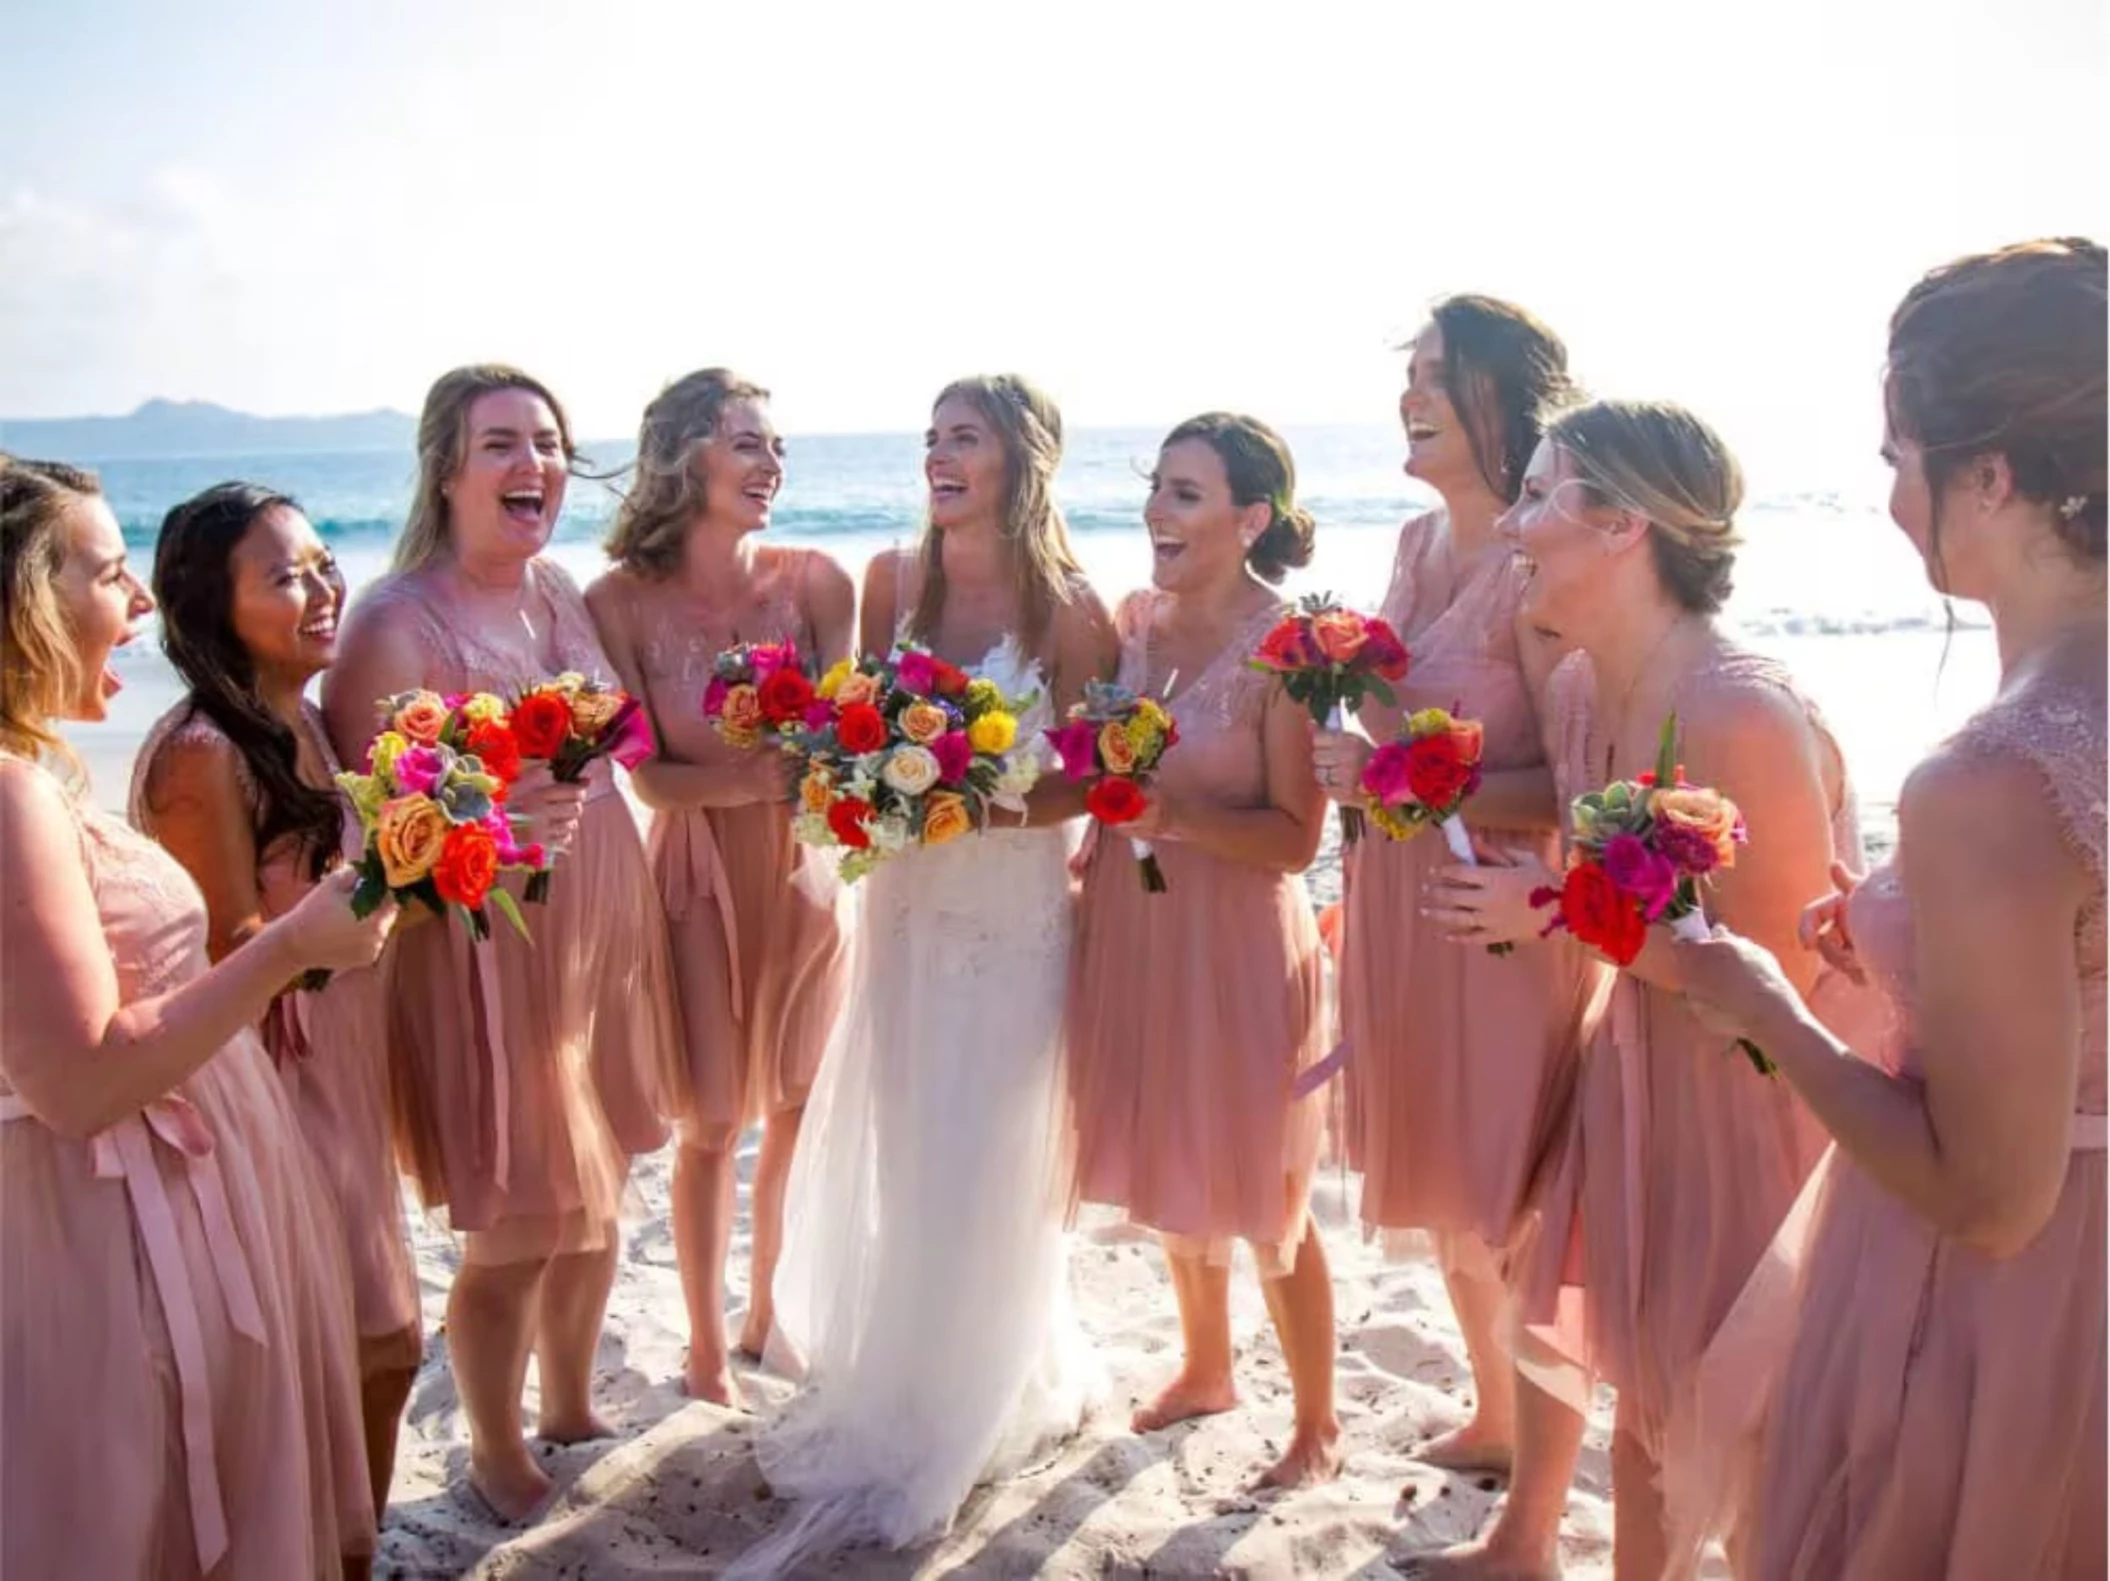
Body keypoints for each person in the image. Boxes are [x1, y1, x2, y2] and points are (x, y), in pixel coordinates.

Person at [1672, 237, 2106, 1579]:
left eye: (1893, 456)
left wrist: (1762, 1007)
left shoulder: (1992, 777)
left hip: (2015, 1313)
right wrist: (1901, 932)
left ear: (1988, 476)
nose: (1886, 497)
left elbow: (1986, 1202)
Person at [1415, 400, 1880, 1578]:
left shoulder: (1734, 708)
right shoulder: (1580, 691)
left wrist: (1556, 910)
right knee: (1641, 1403)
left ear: (1623, 526)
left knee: (1749, 1425)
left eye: (1537, 495)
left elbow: (1783, 975)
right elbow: (1611, 889)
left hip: (1759, 1117)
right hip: (1642, 1072)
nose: (1512, 524)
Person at [733, 374, 1117, 1573]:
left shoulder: (1071, 609)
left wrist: (979, 803)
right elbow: (849, 724)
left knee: (984, 1155)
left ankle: (975, 1400)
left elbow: (1092, 777)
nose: (939, 456)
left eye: (965, 438)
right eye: (932, 438)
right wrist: (858, 779)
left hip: (1005, 907)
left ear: (1020, 460)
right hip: (902, 905)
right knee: (908, 1141)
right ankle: (900, 1376)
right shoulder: (897, 582)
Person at [1, 455, 393, 1578]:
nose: (137, 607)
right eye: (110, 574)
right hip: (107, 1226)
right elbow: (74, 1082)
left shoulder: (34, 771)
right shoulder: (13, 793)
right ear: (23, 599)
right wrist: (292, 947)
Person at [322, 365, 682, 1520]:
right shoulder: (393, 621)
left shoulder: (558, 592)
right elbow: (364, 836)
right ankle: (489, 1442)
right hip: (484, 947)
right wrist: (492, 814)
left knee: (600, 1186)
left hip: (597, 936)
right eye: (501, 445)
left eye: (548, 442)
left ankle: (571, 1399)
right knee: (520, 1214)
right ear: (446, 467)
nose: (533, 464)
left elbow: (616, 734)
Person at [1309, 296, 1596, 1475]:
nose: (1407, 395)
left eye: (1434, 374)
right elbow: (1392, 731)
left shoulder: (1541, 570)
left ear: (1499, 398)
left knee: (1506, 1200)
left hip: (1499, 920)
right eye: (1407, 373)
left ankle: (1540, 1477)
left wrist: (1407, 782)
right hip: (1398, 906)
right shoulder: (1414, 549)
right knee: (1441, 1188)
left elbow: (1580, 788)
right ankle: (1490, 1411)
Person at [132, 481, 423, 1523]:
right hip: (267, 1083)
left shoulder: (302, 722)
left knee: (379, 1351)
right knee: (360, 1349)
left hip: (341, 1058)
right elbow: (211, 957)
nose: (322, 588)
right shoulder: (203, 753)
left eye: (322, 562)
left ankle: (352, 1550)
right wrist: (374, 910)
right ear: (214, 608)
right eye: (284, 575)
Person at [1066, 413, 1341, 1485]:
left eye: (1184, 492)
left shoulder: (1288, 654)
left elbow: (1296, 838)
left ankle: (1315, 1424)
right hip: (1131, 927)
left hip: (1232, 940)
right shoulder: (1133, 622)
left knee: (1266, 1188)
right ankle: (1204, 1366)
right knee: (1172, 1150)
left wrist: (1165, 820)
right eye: (1156, 487)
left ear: (1249, 517)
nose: (1155, 512)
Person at [585, 369, 855, 1405]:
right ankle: (702, 1352)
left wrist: (808, 776)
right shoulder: (614, 604)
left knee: (794, 1107)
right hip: (694, 872)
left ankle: (766, 1314)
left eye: (776, 446)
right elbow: (646, 773)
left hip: (805, 873)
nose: (769, 464)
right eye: (747, 442)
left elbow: (848, 750)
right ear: (683, 455)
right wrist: (749, 773)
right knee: (707, 1120)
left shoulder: (818, 583)